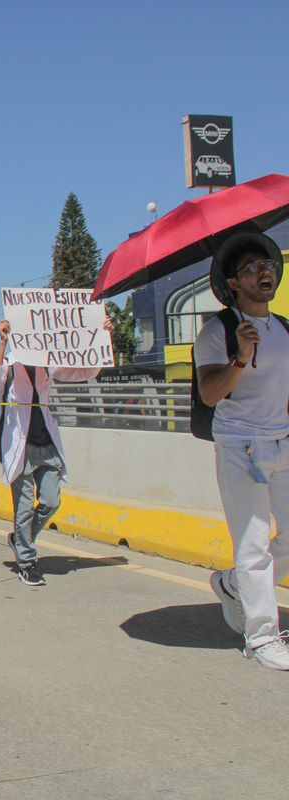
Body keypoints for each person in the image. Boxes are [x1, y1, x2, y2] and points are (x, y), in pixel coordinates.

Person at [197, 233, 289, 670]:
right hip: (240, 446)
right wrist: (240, 356)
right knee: (253, 543)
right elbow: (211, 394)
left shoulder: (284, 327)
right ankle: (261, 637)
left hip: (282, 442)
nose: (264, 271)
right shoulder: (218, 331)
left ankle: (235, 584)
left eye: (267, 264)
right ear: (233, 282)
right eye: (252, 268)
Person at [0, 313, 107, 587]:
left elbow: (84, 371)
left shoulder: (48, 364)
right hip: (20, 445)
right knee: (24, 508)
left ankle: (20, 538)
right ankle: (27, 562)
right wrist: (2, 343)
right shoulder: (9, 363)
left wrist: (102, 339)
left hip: (48, 442)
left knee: (52, 501)